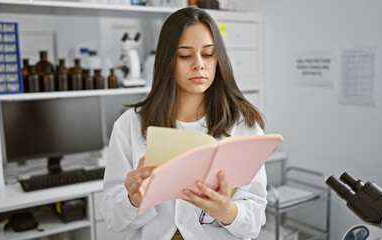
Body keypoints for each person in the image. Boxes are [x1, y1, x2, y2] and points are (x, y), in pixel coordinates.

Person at [101, 7, 267, 240]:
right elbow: (112, 218)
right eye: (185, 55)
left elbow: (255, 221)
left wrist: (227, 211)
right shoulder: (129, 125)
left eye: (208, 54)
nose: (199, 65)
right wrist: (132, 200)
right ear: (168, 60)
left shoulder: (244, 125)